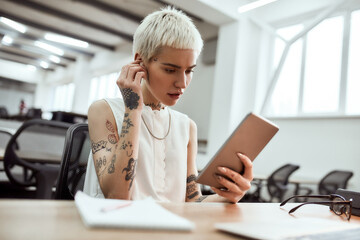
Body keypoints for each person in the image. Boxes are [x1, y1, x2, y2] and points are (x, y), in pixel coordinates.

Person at [83, 6, 253, 203]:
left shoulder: (187, 127)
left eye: (189, 71)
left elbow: (192, 201)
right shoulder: (104, 111)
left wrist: (229, 196)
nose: (182, 83)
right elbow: (117, 196)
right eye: (170, 70)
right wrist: (133, 109)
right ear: (140, 62)